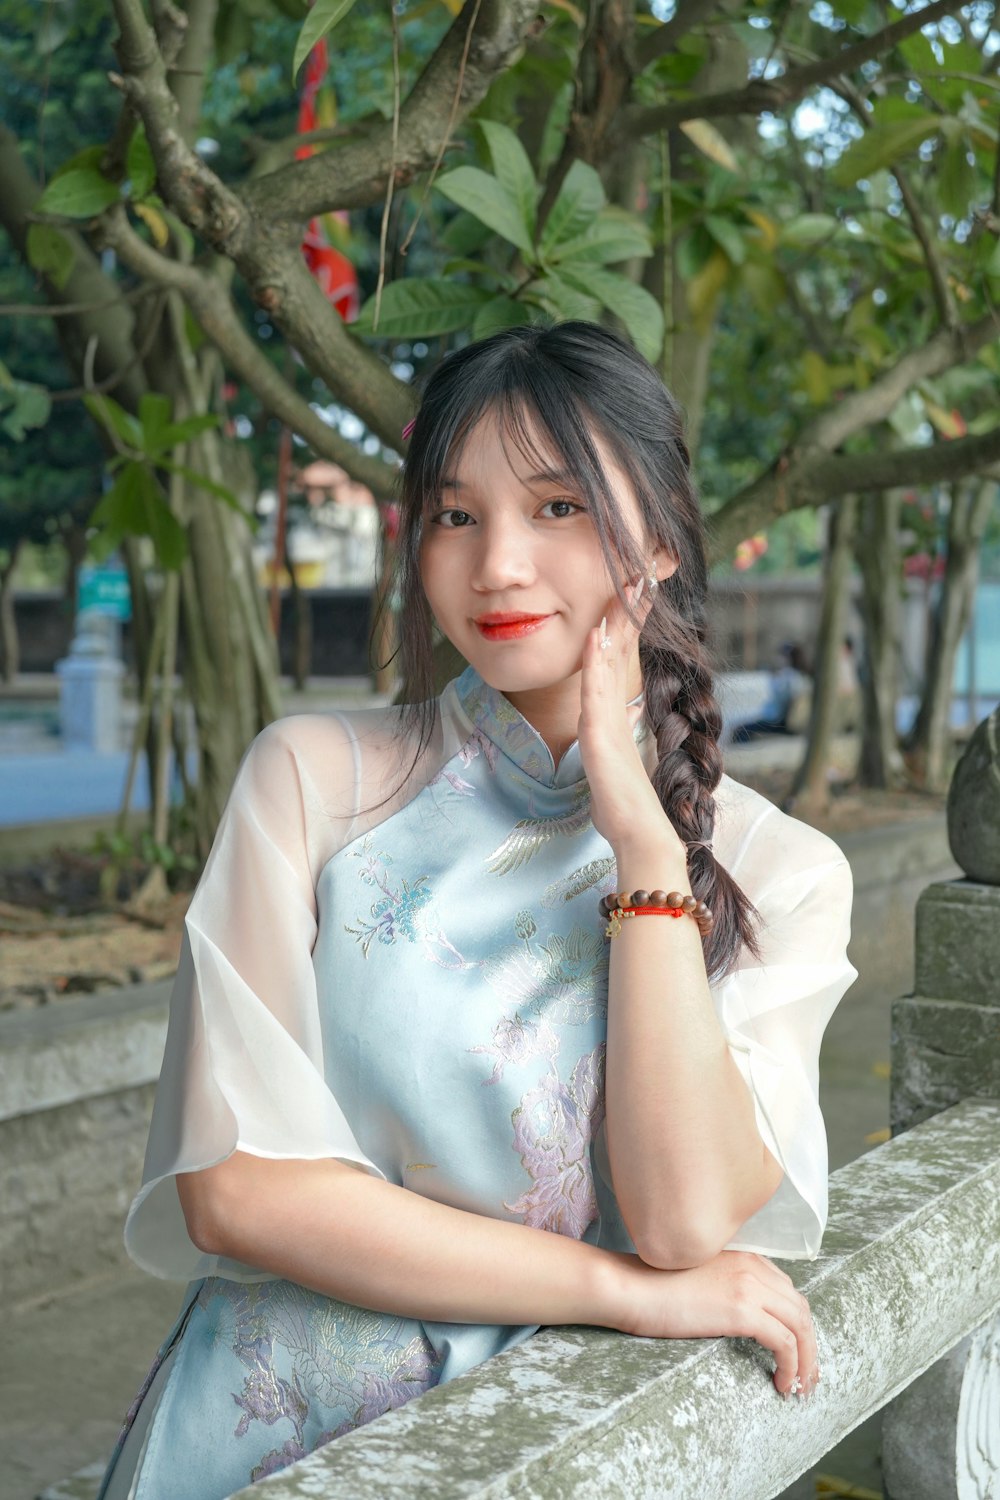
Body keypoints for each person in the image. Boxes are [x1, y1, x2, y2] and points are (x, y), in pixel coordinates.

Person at [97, 322, 857, 1500]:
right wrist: (618, 1294)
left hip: (565, 1451)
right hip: (266, 1440)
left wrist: (641, 842)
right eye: (455, 515)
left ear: (655, 540)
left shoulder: (786, 870)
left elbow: (683, 1218)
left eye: (557, 508)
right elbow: (236, 1189)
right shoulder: (315, 781)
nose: (497, 563)